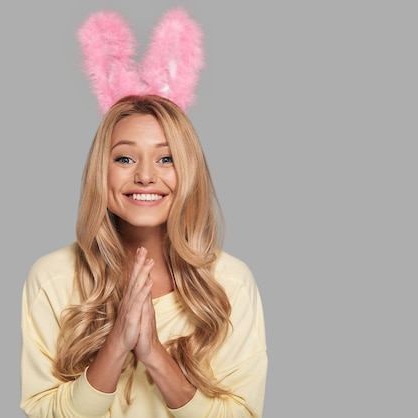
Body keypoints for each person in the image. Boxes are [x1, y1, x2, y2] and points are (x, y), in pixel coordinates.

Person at [20, 8, 267, 418]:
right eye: (125, 159)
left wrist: (154, 355)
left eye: (166, 159)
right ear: (102, 170)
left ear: (188, 171)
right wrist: (116, 345)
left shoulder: (231, 284)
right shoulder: (51, 277)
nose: (146, 177)